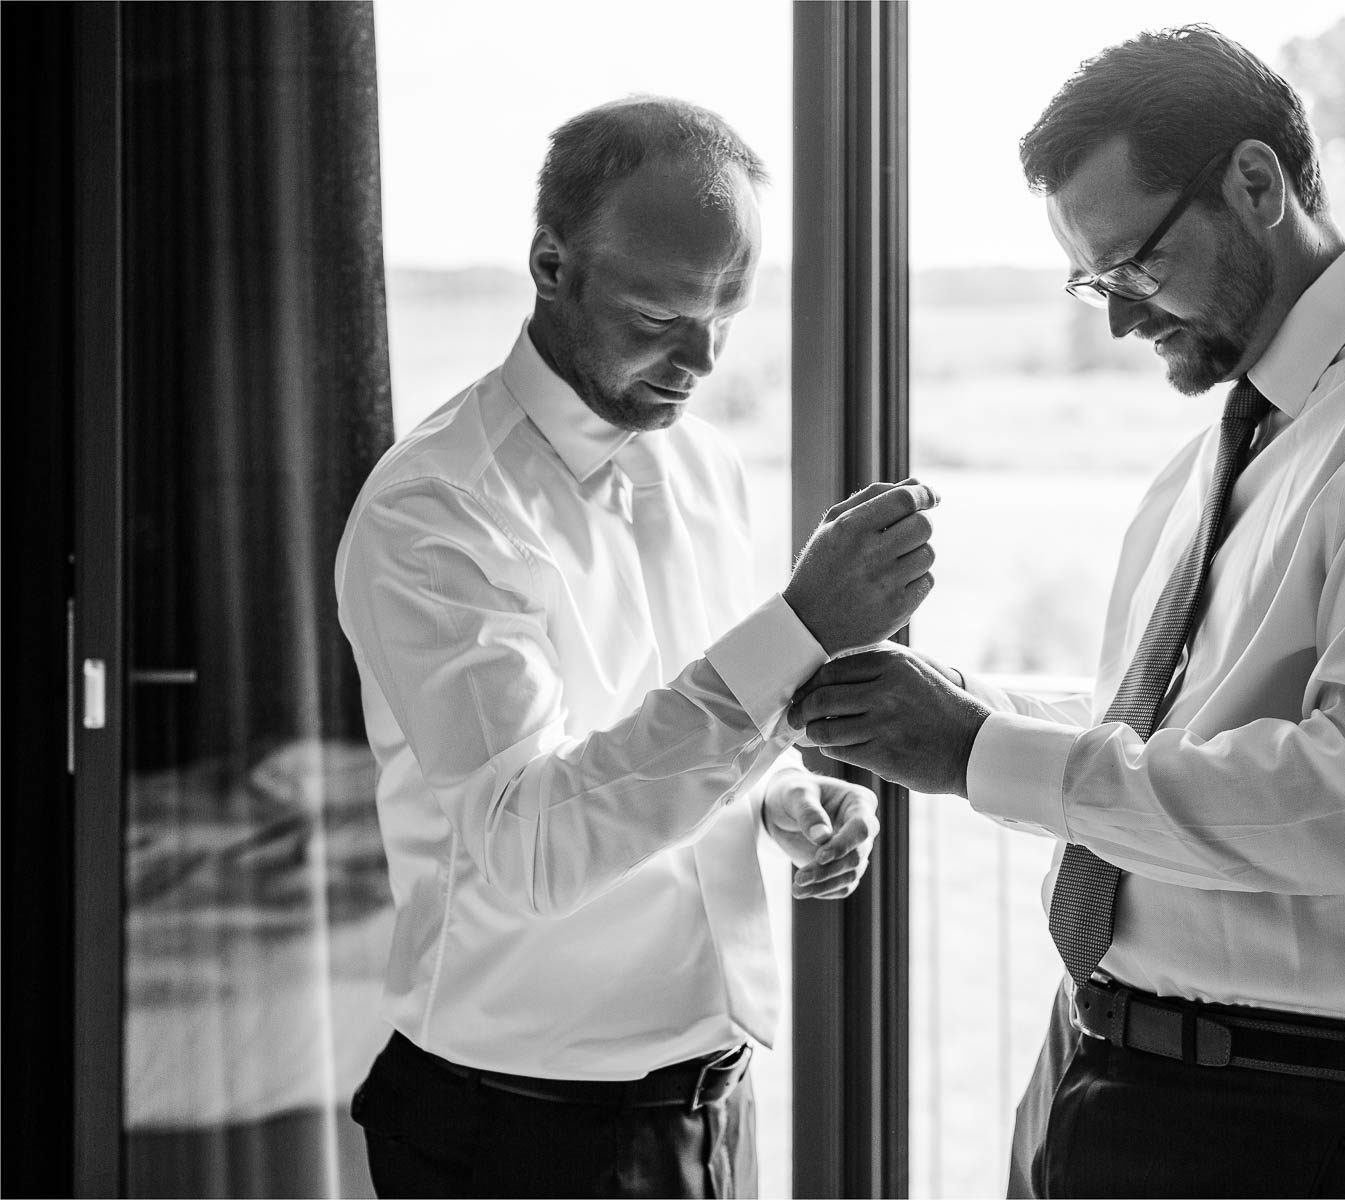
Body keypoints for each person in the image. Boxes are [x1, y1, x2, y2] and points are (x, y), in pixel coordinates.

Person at [789, 24, 1345, 1199]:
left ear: (1257, 182)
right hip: (1098, 1064)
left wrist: (978, 752)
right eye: (1095, 284)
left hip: (1296, 1126)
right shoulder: (1214, 461)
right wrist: (966, 707)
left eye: (1133, 267)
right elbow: (1184, 737)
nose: (1119, 320)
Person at [335, 96, 937, 1199]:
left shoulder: (705, 466)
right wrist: (800, 627)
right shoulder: (435, 513)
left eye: (728, 310)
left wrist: (782, 795)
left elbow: (675, 716)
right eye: (661, 313)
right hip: (519, 1133)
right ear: (550, 264)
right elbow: (531, 845)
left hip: (707, 1096)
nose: (702, 356)